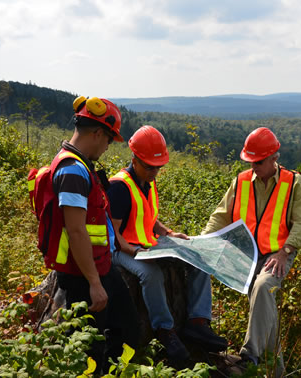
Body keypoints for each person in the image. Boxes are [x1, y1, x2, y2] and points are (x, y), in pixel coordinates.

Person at [107, 125, 227, 361]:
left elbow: (149, 218)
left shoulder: (147, 182)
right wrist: (136, 251)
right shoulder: (119, 187)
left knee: (198, 260)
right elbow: (113, 234)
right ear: (135, 159)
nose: (155, 172)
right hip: (122, 250)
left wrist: (169, 234)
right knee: (151, 275)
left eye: (158, 167)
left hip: (146, 245)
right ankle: (165, 330)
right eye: (150, 167)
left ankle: (197, 322)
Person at [202, 127, 301, 374]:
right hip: (248, 255)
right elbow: (220, 216)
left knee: (262, 288)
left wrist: (285, 251)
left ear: (274, 158)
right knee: (265, 313)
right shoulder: (240, 181)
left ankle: (248, 357)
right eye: (250, 161)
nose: (254, 166)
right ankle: (277, 372)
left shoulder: (294, 183)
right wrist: (202, 241)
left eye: (258, 162)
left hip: (279, 254)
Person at [45, 96, 139, 370]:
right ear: (98, 133)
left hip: (100, 266)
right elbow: (75, 231)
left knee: (126, 329)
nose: (108, 147)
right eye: (109, 140)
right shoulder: (73, 171)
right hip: (84, 275)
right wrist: (94, 284)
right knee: (90, 348)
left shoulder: (81, 165)